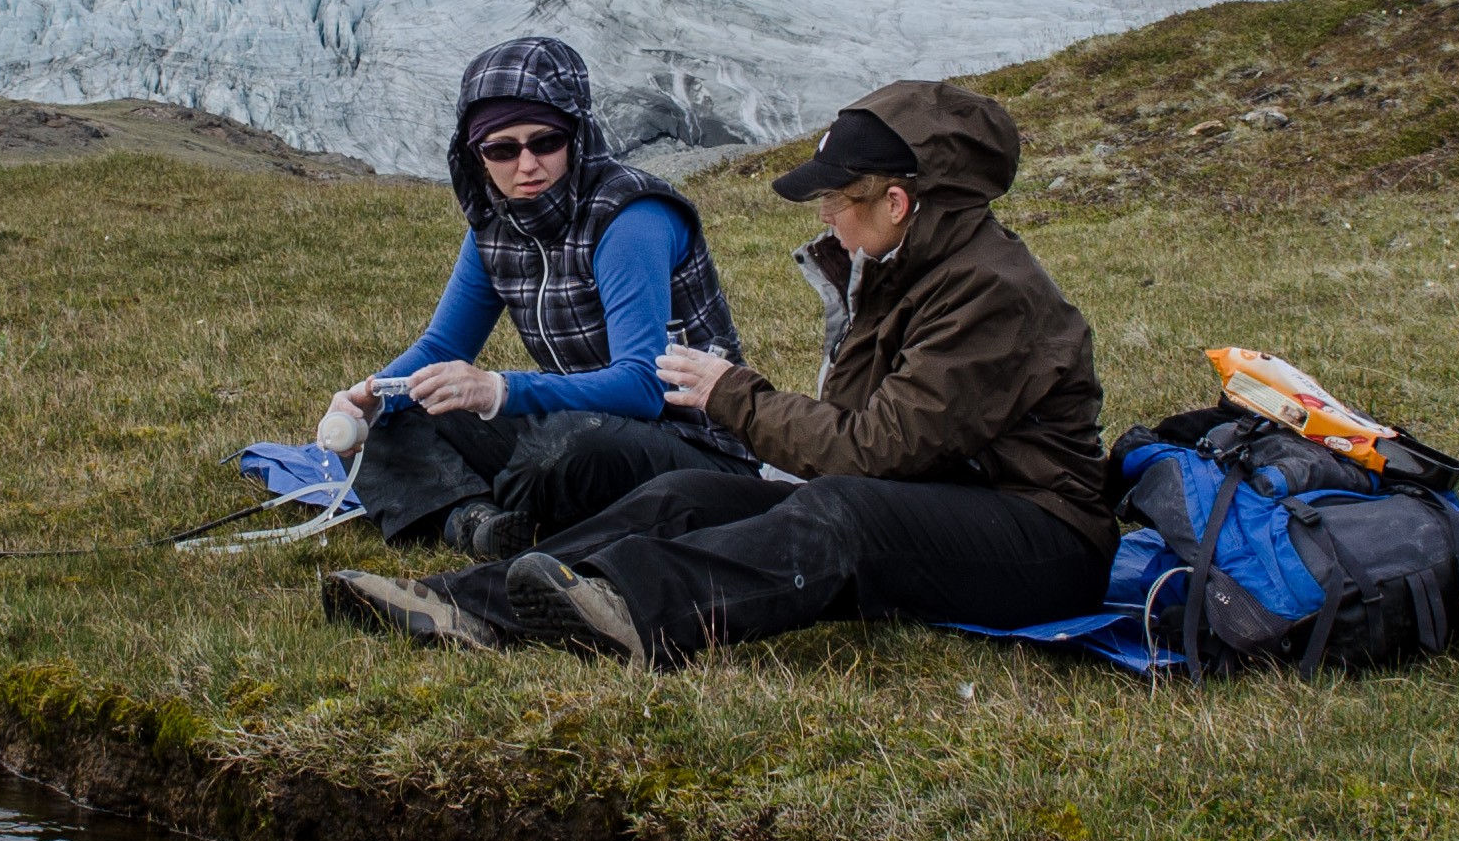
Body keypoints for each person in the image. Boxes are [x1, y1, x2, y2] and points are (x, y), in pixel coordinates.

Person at [320, 79, 1110, 667]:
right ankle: (467, 602)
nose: (824, 216)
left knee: (842, 513)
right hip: (943, 500)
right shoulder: (903, 267)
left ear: (897, 201)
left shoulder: (989, 293)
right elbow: (865, 434)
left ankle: (635, 611)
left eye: (836, 199)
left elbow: (872, 452)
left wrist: (733, 394)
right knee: (685, 493)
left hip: (1042, 536)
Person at [326, 36, 756, 559]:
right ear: (477, 156)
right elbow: (442, 344)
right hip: (580, 423)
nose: (526, 165)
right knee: (397, 418)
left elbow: (645, 386)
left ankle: (487, 506)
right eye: (502, 149)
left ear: (576, 136)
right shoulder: (495, 227)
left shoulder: (631, 217)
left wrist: (501, 392)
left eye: (545, 142)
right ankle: (472, 522)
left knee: (562, 453)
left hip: (695, 448)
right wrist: (368, 399)